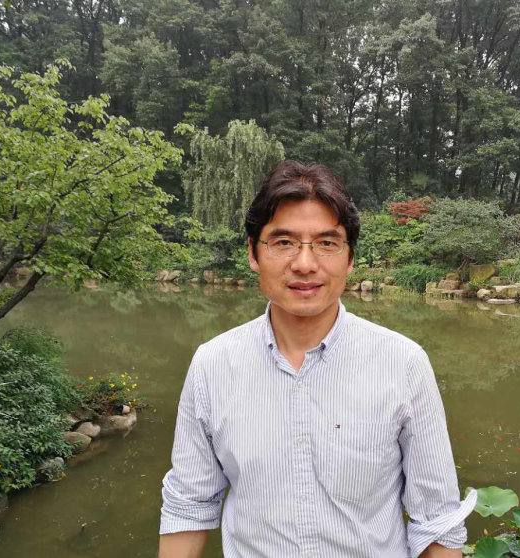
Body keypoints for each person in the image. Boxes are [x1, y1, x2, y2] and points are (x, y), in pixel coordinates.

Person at [158, 161, 477, 558]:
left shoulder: (402, 363)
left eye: (327, 243)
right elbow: (189, 505)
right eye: (283, 242)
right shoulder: (213, 365)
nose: (305, 264)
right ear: (254, 253)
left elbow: (437, 523)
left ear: (350, 258)